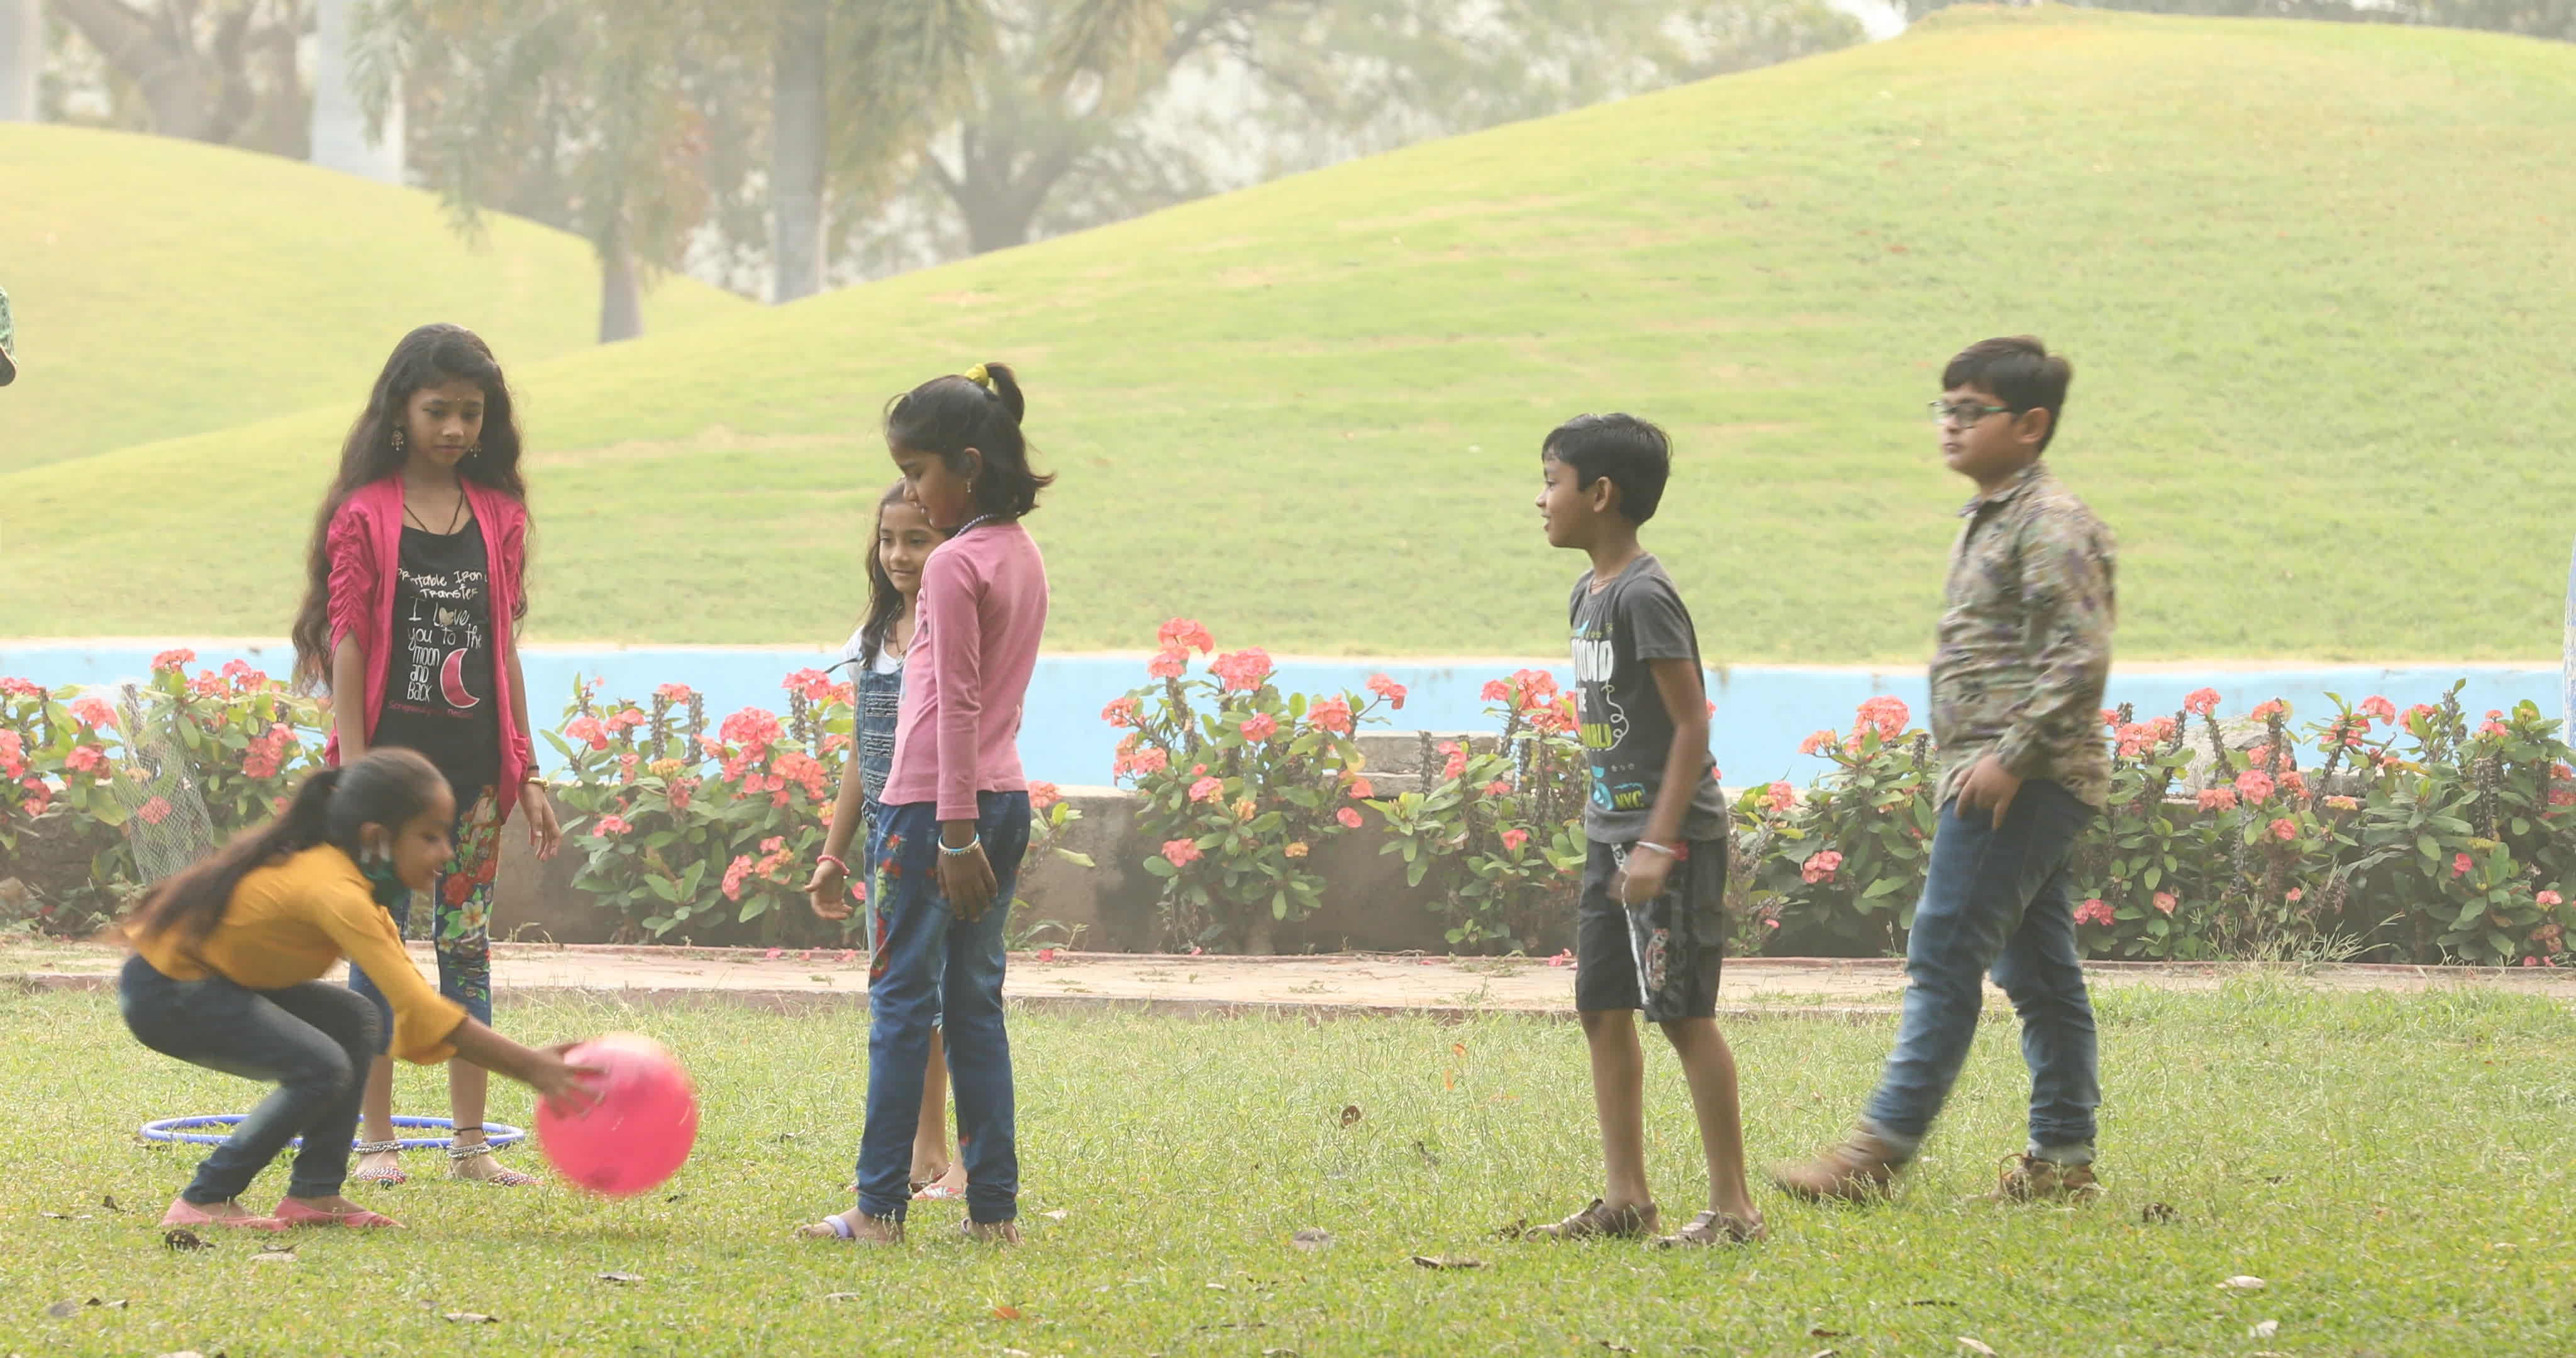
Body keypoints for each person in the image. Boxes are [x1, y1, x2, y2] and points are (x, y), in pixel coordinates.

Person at [1771, 336, 2116, 1204]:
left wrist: (2009, 759)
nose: (1951, 426)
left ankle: (1875, 1154)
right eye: (1945, 408)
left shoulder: (2052, 524)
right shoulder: (1997, 516)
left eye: (1972, 411)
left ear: (2031, 425)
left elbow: (2080, 659)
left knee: (1945, 950)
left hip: (2016, 783)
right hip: (2003, 775)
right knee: (2039, 974)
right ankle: (2064, 1160)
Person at [288, 323, 564, 1187]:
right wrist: (357, 777)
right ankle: (375, 1143)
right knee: (378, 949)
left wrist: (530, 773)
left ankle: (471, 1144)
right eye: (437, 410)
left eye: (469, 414)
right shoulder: (363, 514)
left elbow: (504, 647)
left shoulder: (501, 516)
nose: (454, 429)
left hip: (475, 781)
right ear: (401, 412)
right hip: (389, 782)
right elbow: (350, 642)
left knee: (467, 947)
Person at [120, 749, 599, 1230]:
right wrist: (531, 1066)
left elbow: (407, 1002)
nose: (446, 853)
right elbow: (422, 1009)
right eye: (429, 836)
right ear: (377, 838)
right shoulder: (336, 890)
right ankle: (206, 1197)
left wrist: (527, 1063)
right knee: (320, 1067)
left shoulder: (356, 884)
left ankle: (314, 1192)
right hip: (169, 992)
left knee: (355, 1016)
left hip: (214, 982)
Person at [800, 362, 1052, 1245]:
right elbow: (996, 708)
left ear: (969, 466)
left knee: (901, 1004)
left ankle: (878, 1209)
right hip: (1005, 795)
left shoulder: (952, 565)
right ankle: (995, 1216)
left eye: (919, 473)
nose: (912, 490)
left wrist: (950, 831)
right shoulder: (1022, 554)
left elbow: (955, 702)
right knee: (976, 1004)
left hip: (933, 813)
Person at [1525, 412, 1762, 1247]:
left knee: (1683, 1014)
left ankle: (1735, 1210)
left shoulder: (1644, 595)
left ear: (1599, 494)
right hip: (1609, 833)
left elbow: (1692, 726)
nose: (1540, 500)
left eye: (1551, 481)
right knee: (1602, 1005)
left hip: (1673, 841)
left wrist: (1661, 841)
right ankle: (1627, 1200)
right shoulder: (1587, 592)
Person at [806, 480, 968, 1202]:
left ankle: (966, 1157)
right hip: (887, 838)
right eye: (889, 541)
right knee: (907, 996)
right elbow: (857, 756)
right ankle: (924, 1146)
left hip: (948, 831)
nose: (899, 555)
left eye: (917, 540)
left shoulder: (954, 630)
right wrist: (834, 854)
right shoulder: (876, 636)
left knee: (959, 995)